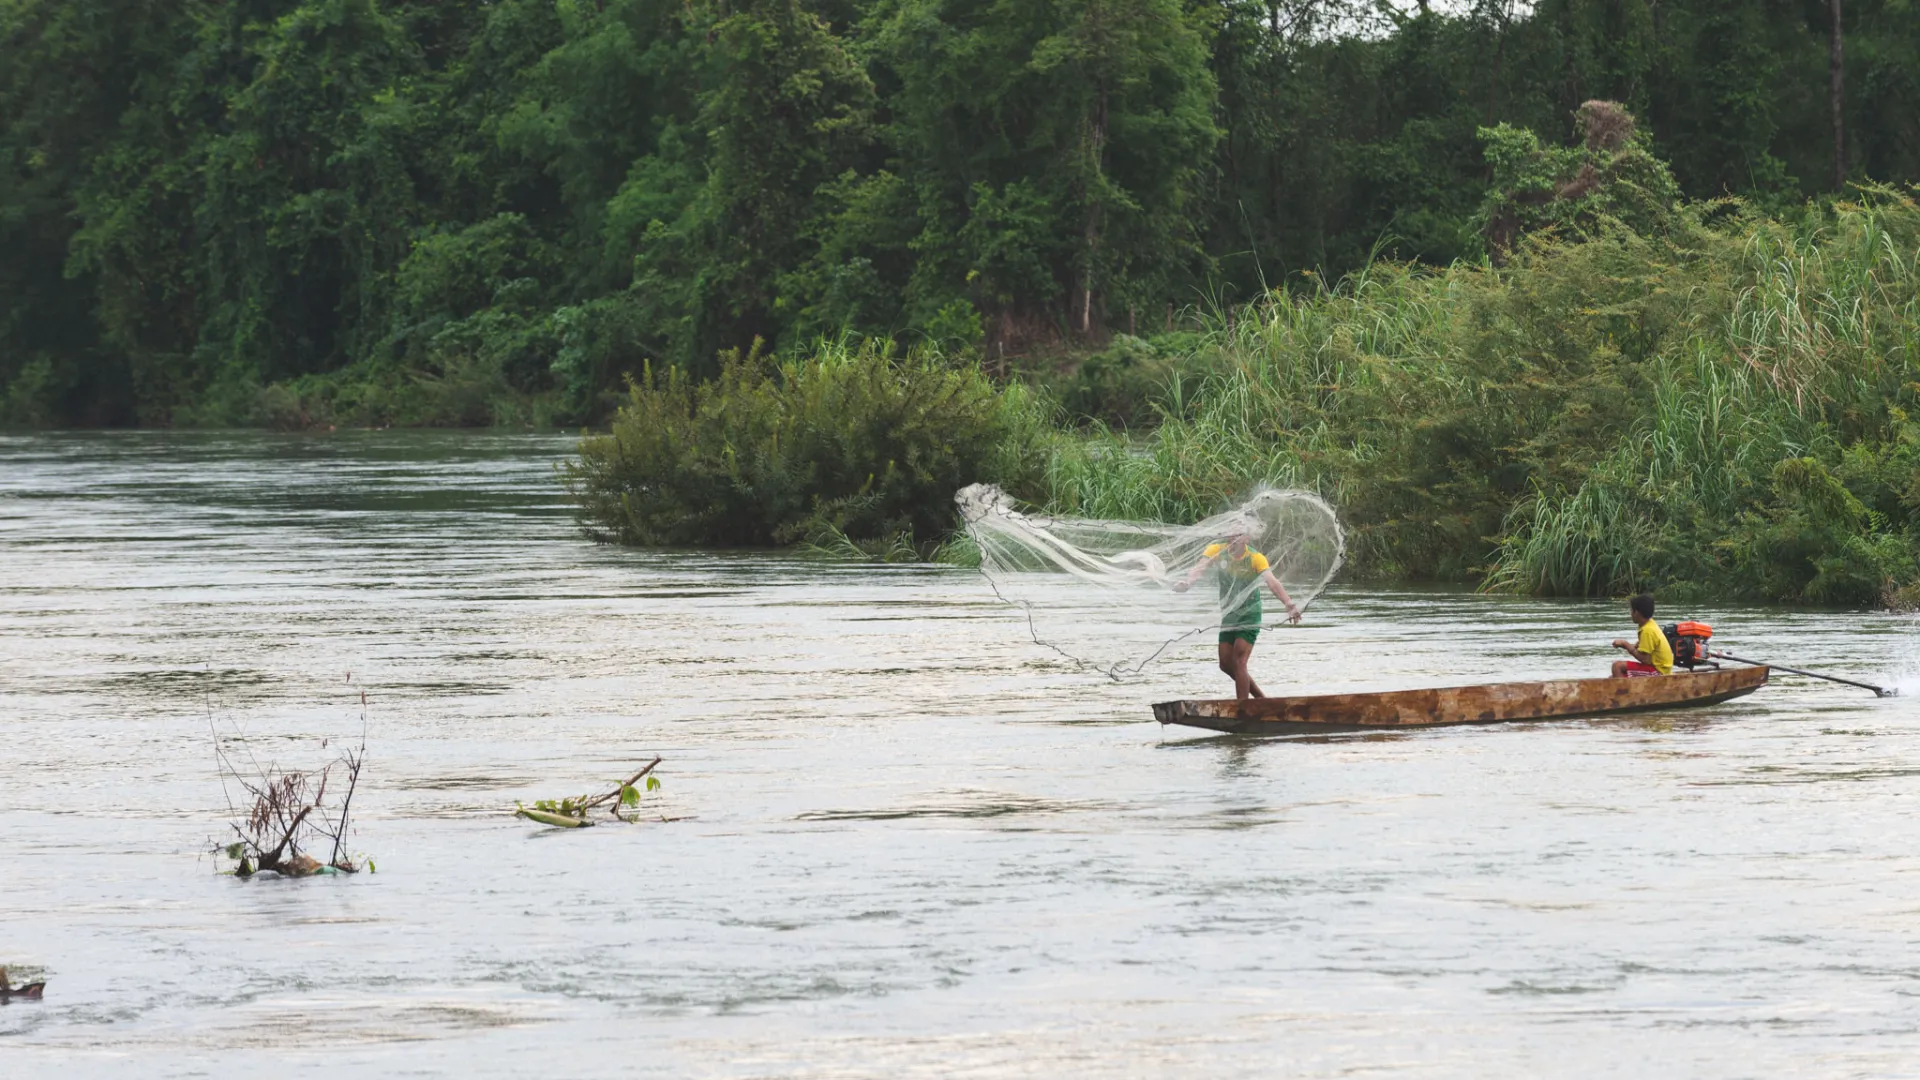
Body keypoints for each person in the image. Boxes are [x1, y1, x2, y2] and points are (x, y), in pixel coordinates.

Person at [1173, 525, 1302, 699]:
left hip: (1250, 613)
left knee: (1239, 660)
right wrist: (1188, 583)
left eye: (1237, 537)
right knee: (1225, 664)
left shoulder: (1256, 558)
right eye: (1230, 536)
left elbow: (1272, 582)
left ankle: (1243, 707)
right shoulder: (1217, 550)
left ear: (1246, 539)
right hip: (1229, 614)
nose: (1232, 540)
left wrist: (1289, 604)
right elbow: (1199, 567)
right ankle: (1261, 699)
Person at [1611, 593, 1673, 677]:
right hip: (1659, 669)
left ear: (1637, 612)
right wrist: (1628, 646)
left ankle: (1623, 690)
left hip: (1659, 672)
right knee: (1612, 677)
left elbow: (1645, 660)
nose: (1631, 614)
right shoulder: (1649, 624)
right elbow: (1642, 648)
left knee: (1617, 667)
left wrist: (1625, 644)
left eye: (1631, 610)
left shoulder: (1647, 630)